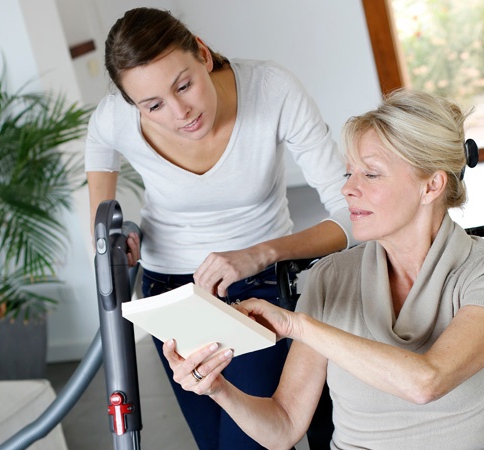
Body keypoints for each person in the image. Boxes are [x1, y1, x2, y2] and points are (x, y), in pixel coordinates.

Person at [164, 89, 484, 449]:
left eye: (370, 175)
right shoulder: (331, 277)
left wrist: (299, 326)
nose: (348, 190)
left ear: (432, 185)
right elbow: (284, 426)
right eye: (348, 174)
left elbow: (426, 382)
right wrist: (218, 389)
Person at [85, 7, 354, 449]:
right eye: (153, 106)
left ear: (204, 55)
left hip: (258, 289)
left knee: (253, 440)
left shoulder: (272, 89)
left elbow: (351, 217)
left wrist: (263, 251)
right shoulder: (116, 117)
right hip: (168, 296)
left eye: (184, 85)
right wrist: (112, 243)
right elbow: (98, 151)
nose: (180, 112)